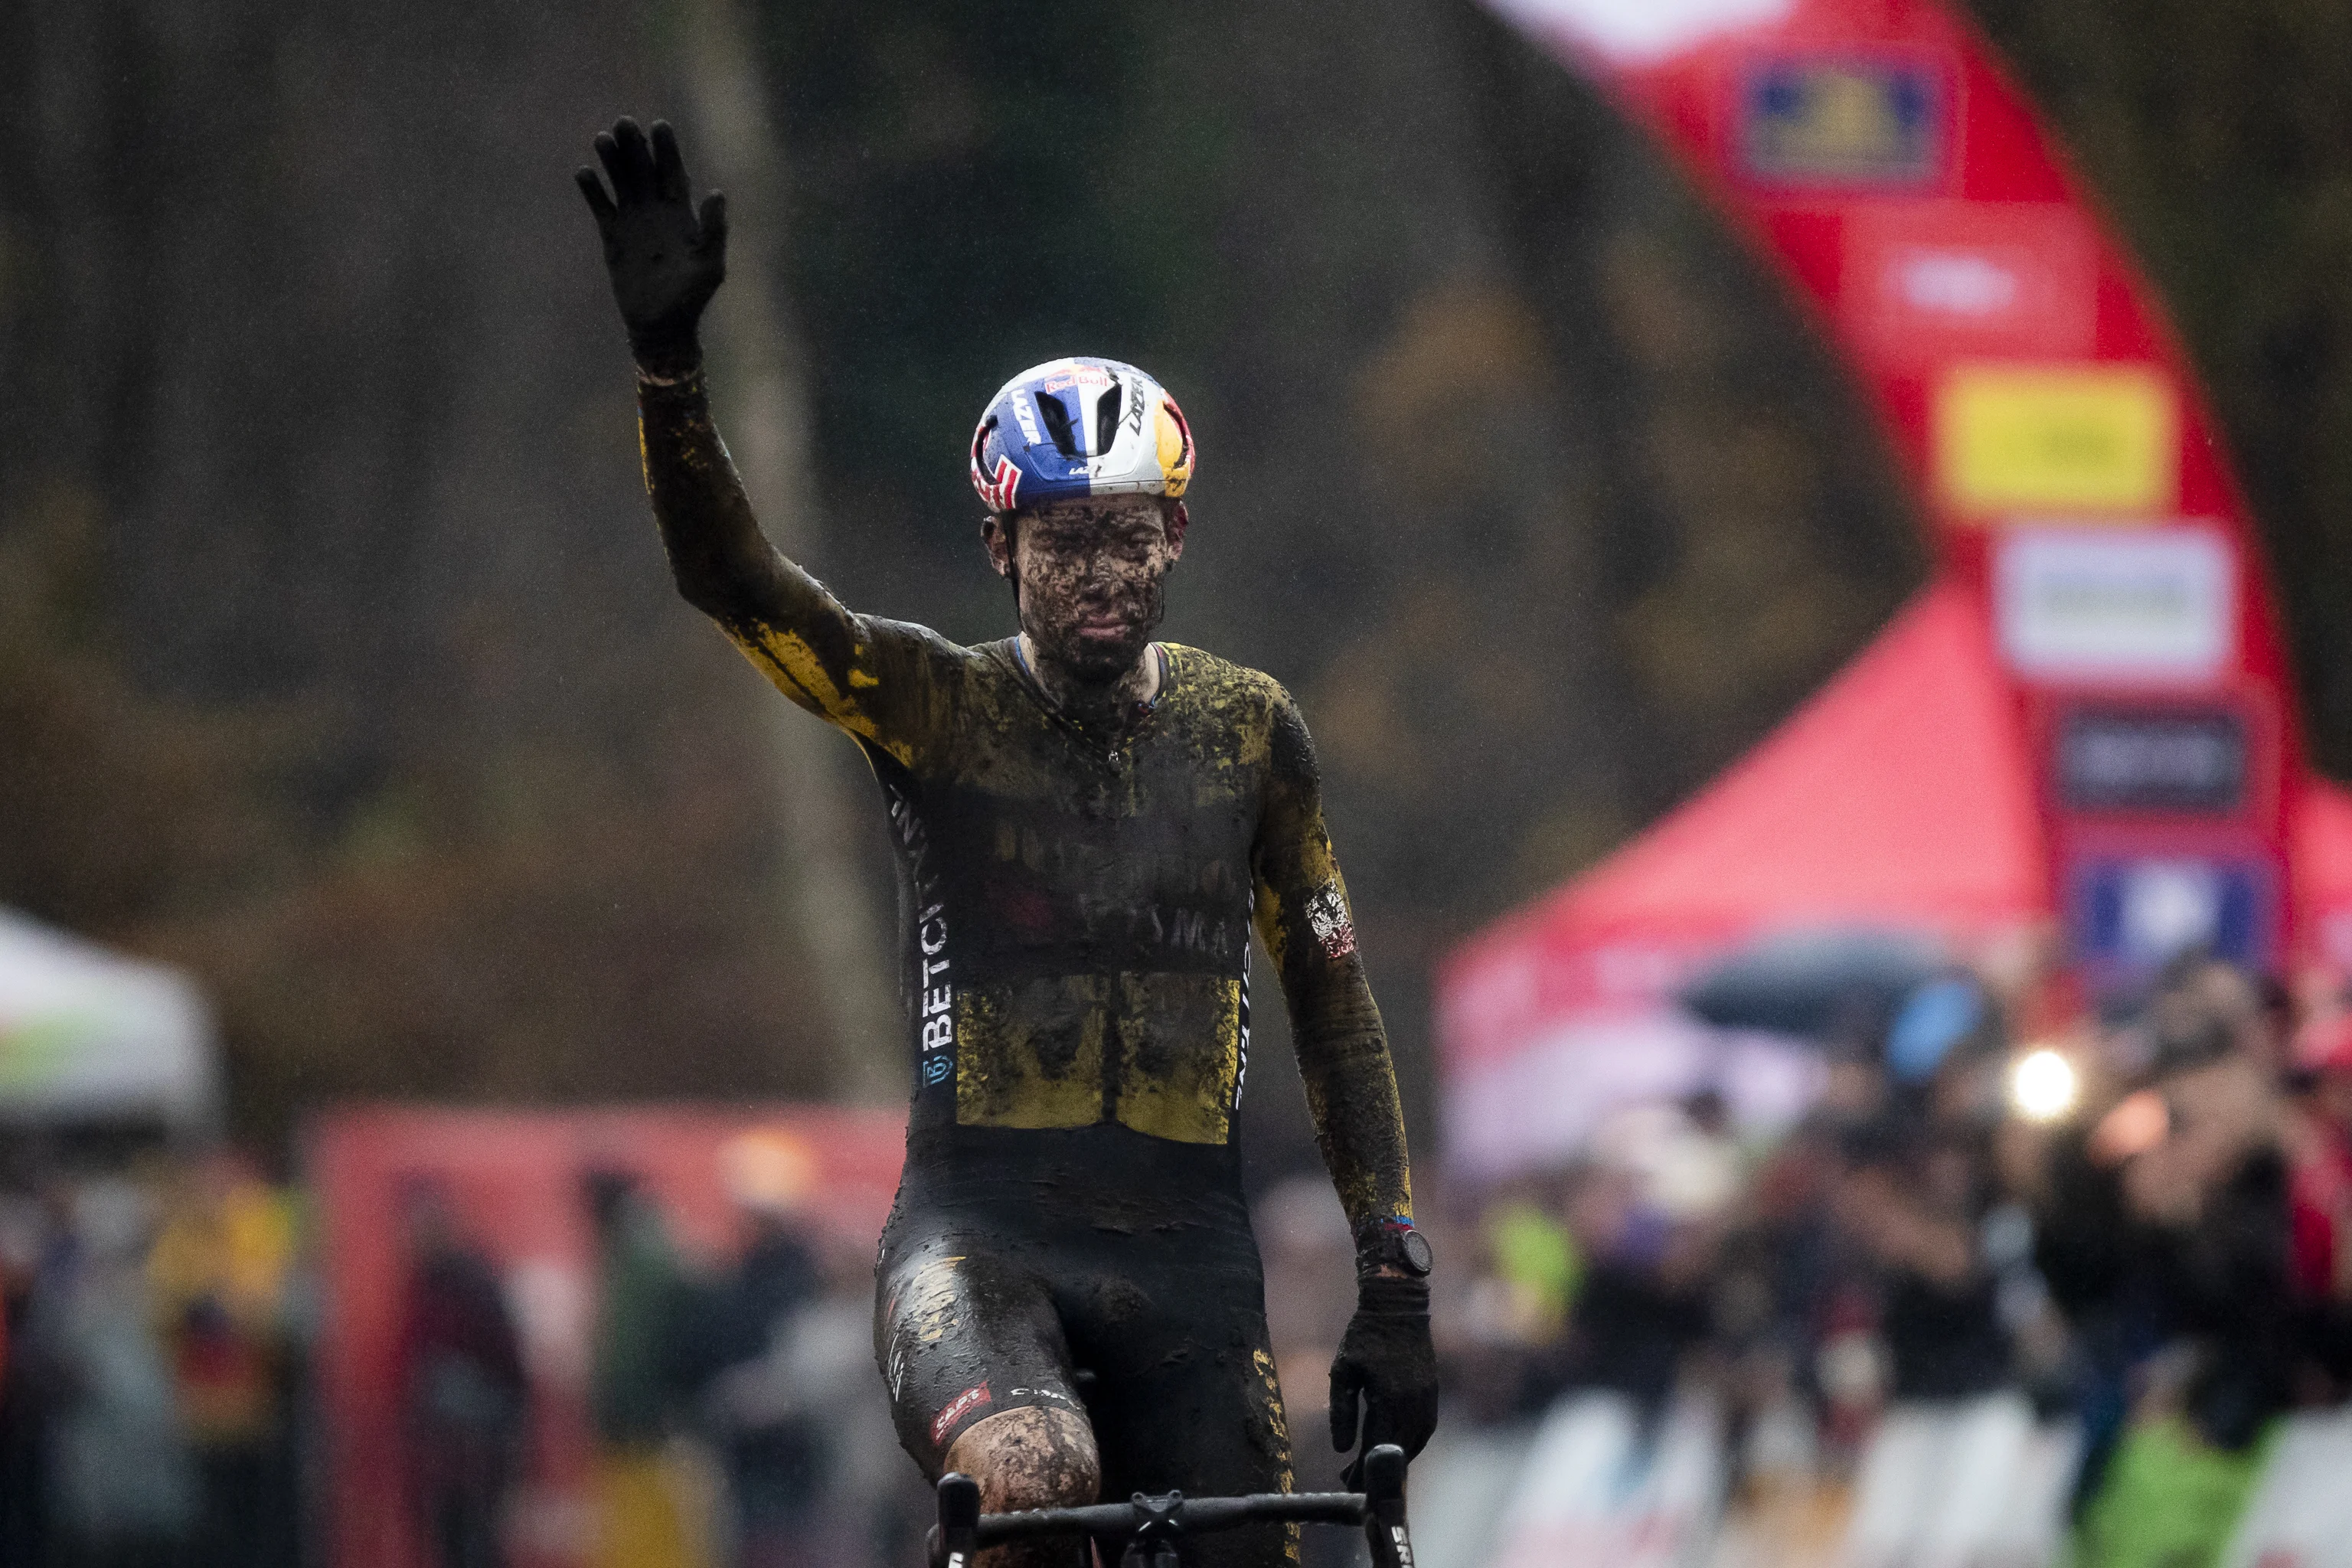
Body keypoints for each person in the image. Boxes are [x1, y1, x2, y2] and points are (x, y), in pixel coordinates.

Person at [575, 116, 1438, 1567]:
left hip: (1188, 1261)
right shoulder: (934, 706)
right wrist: (671, 374)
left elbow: (1333, 1001)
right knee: (1036, 1472)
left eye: (1125, 536)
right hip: (979, 1245)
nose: (1097, 574)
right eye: (1059, 541)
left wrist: (1393, 1271)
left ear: (1175, 535)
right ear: (999, 549)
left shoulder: (1250, 729)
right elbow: (731, 580)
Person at [394, 1177, 528, 1568]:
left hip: (473, 1440)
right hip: (448, 1442)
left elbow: (506, 1359)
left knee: (474, 1538)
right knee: (455, 1538)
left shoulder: (466, 1279)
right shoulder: (431, 1281)